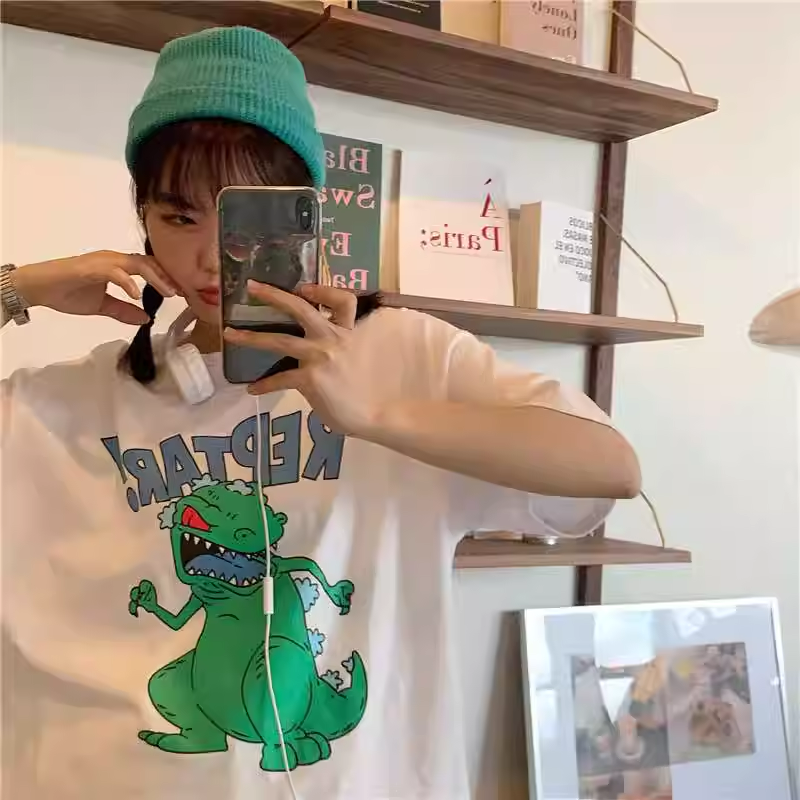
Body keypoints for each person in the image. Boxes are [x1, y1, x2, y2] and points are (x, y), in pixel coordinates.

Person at [0, 25, 641, 800]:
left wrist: (377, 414)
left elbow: (611, 467)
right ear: (142, 219)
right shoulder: (73, 399)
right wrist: (16, 287)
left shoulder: (402, 354)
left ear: (305, 216)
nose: (210, 257)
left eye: (242, 219)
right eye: (179, 217)